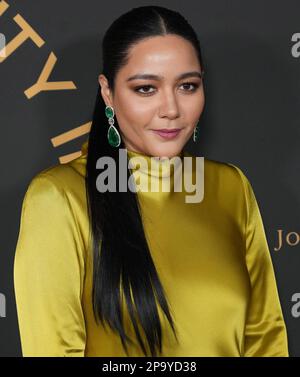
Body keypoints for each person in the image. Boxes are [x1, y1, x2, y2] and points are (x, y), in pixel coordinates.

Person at [13, 5, 289, 357]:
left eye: (188, 86)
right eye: (146, 89)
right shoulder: (58, 198)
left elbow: (266, 338)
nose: (171, 108)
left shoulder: (231, 187)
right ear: (108, 93)